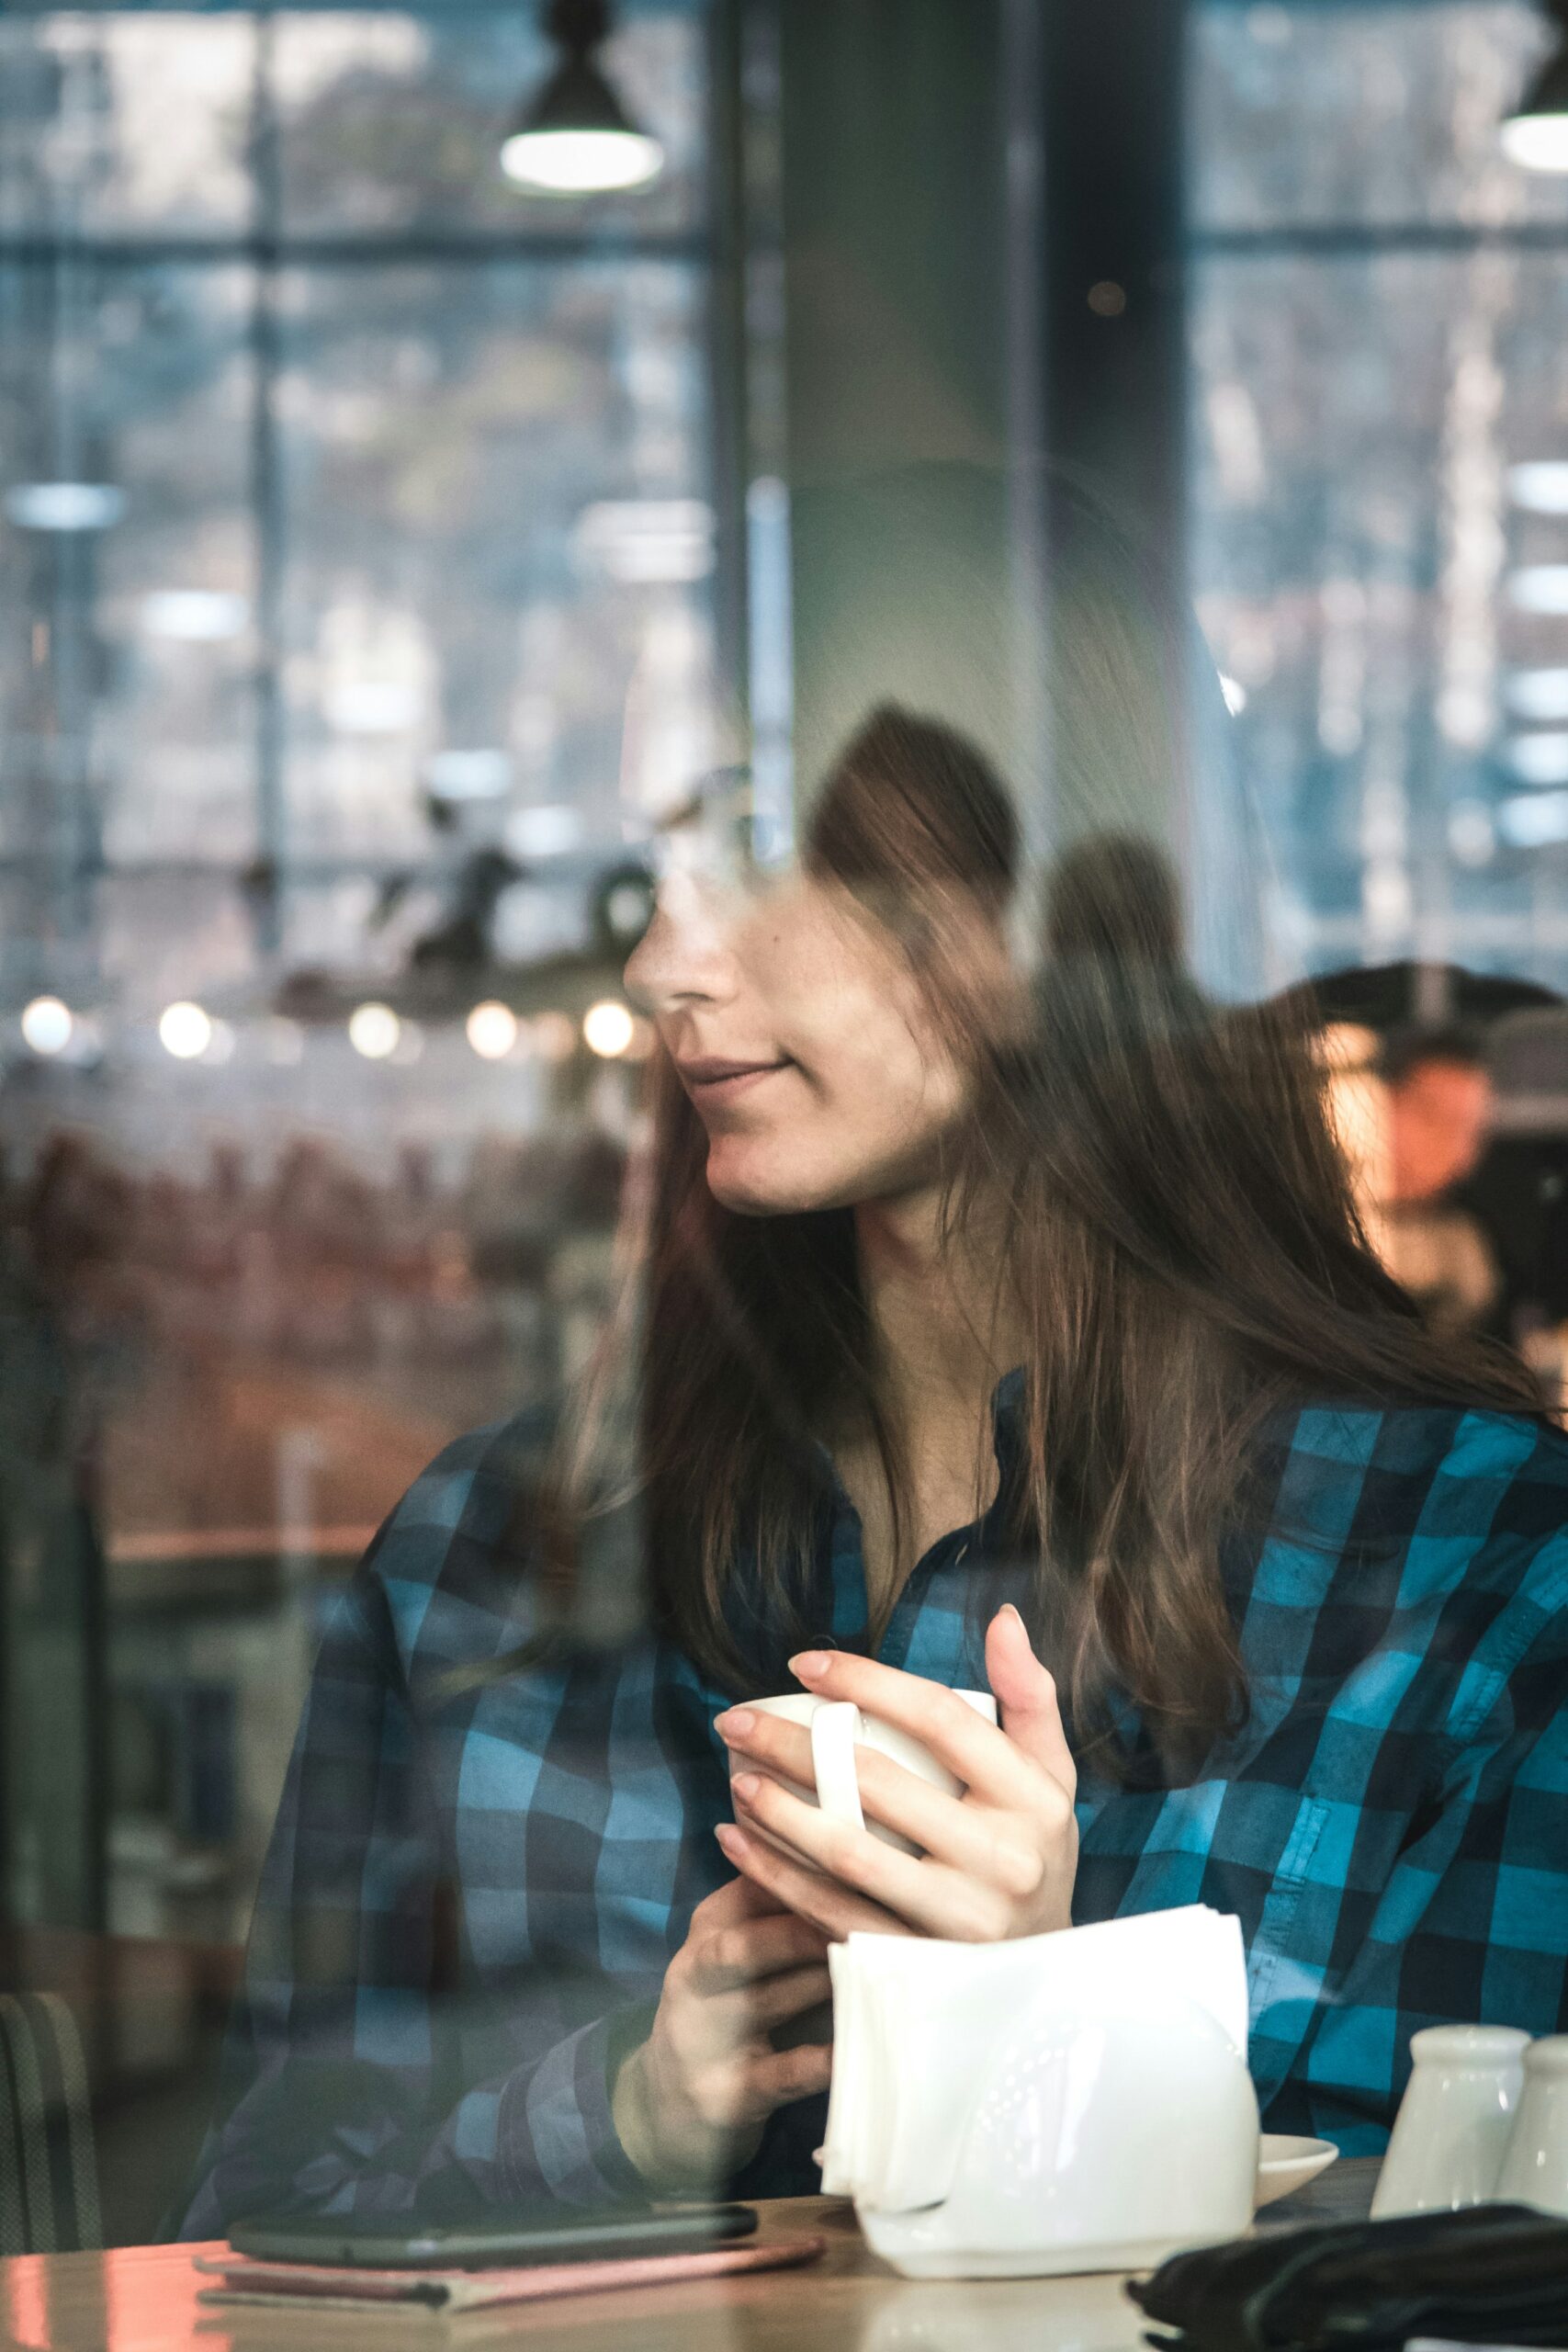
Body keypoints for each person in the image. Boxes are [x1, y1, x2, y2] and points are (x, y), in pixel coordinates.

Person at [183, 523, 1568, 2233]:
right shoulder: (492, 1556)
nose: (662, 966)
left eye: (757, 856)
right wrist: (621, 2112)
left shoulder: (1478, 1576)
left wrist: (1058, 2027)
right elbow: (244, 2221)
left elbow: (1493, 2266)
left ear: (1059, 900)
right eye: (654, 875)